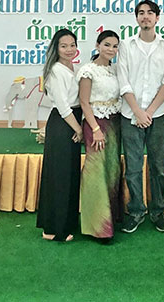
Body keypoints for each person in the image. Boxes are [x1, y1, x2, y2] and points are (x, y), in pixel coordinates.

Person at [117, 0, 164, 233]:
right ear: (136, 18)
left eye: (150, 13)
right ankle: (136, 211)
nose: (145, 17)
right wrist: (138, 112)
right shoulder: (126, 45)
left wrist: (148, 112)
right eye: (141, 13)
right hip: (130, 114)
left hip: (157, 115)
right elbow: (123, 81)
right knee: (133, 166)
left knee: (157, 166)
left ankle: (158, 211)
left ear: (157, 18)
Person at [36, 29, 84, 242]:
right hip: (63, 124)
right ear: (56, 48)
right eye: (64, 46)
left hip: (73, 121)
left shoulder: (74, 68)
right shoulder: (55, 70)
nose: (69, 49)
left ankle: (66, 223)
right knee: (59, 176)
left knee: (69, 174)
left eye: (72, 45)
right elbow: (63, 106)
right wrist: (78, 129)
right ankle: (53, 229)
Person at [76, 30, 124, 241]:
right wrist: (95, 129)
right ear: (97, 45)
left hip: (114, 123)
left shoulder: (114, 70)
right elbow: (84, 102)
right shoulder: (88, 71)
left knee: (112, 170)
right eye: (107, 45)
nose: (111, 49)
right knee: (95, 172)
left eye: (115, 46)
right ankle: (97, 226)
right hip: (95, 124)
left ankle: (111, 219)